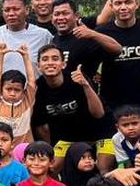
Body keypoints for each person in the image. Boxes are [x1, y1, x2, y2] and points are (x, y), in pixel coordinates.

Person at [31, 44, 110, 174]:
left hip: (98, 133)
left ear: (63, 64)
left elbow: (99, 113)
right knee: (49, 169)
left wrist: (85, 85)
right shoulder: (38, 88)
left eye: (55, 58)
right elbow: (42, 127)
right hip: (68, 137)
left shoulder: (77, 79)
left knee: (102, 169)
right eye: (45, 59)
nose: (50, 63)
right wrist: (50, 151)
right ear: (38, 66)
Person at [0, 0, 52, 76]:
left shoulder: (44, 36)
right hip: (2, 89)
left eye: (16, 9)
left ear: (26, 10)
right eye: (7, 10)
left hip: (35, 88)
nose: (11, 14)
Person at [47, 0, 121, 81]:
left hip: (84, 92)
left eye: (65, 13)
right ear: (52, 18)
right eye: (57, 14)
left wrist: (93, 34)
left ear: (76, 16)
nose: (60, 18)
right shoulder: (52, 41)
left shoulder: (87, 37)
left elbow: (117, 49)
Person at [0, 42, 37, 144]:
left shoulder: (27, 103)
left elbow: (31, 80)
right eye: (8, 89)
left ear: (23, 92)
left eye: (17, 90)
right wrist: (0, 55)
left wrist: (26, 57)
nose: (12, 93)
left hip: (23, 150)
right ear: (1, 90)